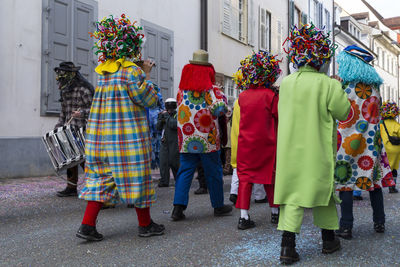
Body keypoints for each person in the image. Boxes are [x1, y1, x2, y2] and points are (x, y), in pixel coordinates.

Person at [76, 14, 164, 241]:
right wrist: (146, 73)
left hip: (101, 137)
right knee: (137, 177)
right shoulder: (132, 73)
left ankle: (87, 225)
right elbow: (148, 99)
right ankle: (145, 225)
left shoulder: (104, 74)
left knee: (101, 179)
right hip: (127, 139)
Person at [274, 24, 351, 264]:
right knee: (324, 193)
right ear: (322, 58)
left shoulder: (286, 83)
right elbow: (344, 111)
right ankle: (328, 241)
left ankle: (288, 246)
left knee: (292, 195)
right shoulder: (328, 84)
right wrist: (338, 87)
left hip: (289, 150)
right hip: (317, 149)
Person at [334, 45, 395, 240]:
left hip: (347, 140)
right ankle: (379, 221)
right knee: (374, 181)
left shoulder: (345, 87)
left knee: (346, 181)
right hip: (371, 141)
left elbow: (338, 112)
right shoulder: (375, 88)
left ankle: (346, 226)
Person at [171, 49, 232, 221]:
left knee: (185, 171)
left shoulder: (181, 91)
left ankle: (178, 208)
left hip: (187, 137)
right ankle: (218, 205)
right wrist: (223, 101)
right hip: (207, 138)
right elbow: (219, 109)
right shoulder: (210, 90)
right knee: (213, 170)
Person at [232, 51, 281, 230]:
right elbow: (279, 117)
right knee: (270, 178)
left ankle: (243, 217)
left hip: (246, 144)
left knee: (245, 180)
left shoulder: (242, 96)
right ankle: (275, 213)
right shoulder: (271, 96)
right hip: (267, 144)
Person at [54, 61, 94, 197]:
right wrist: (57, 128)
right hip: (69, 130)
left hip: (83, 130)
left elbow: (95, 109)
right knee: (70, 159)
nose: (60, 77)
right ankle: (71, 187)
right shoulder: (65, 91)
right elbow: (63, 112)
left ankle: (94, 186)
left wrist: (81, 113)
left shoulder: (84, 90)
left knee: (84, 160)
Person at [157, 98, 179, 187]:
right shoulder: (165, 115)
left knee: (175, 163)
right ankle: (164, 181)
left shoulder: (177, 115)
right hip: (165, 142)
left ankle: (179, 180)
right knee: (163, 162)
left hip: (174, 142)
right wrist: (160, 119)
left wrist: (166, 116)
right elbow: (158, 128)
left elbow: (174, 124)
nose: (170, 108)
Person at [380, 101, 400, 193]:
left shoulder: (381, 124)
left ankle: (378, 185)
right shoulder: (397, 125)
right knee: (394, 169)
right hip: (395, 149)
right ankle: (392, 187)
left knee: (382, 167)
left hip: (384, 148)